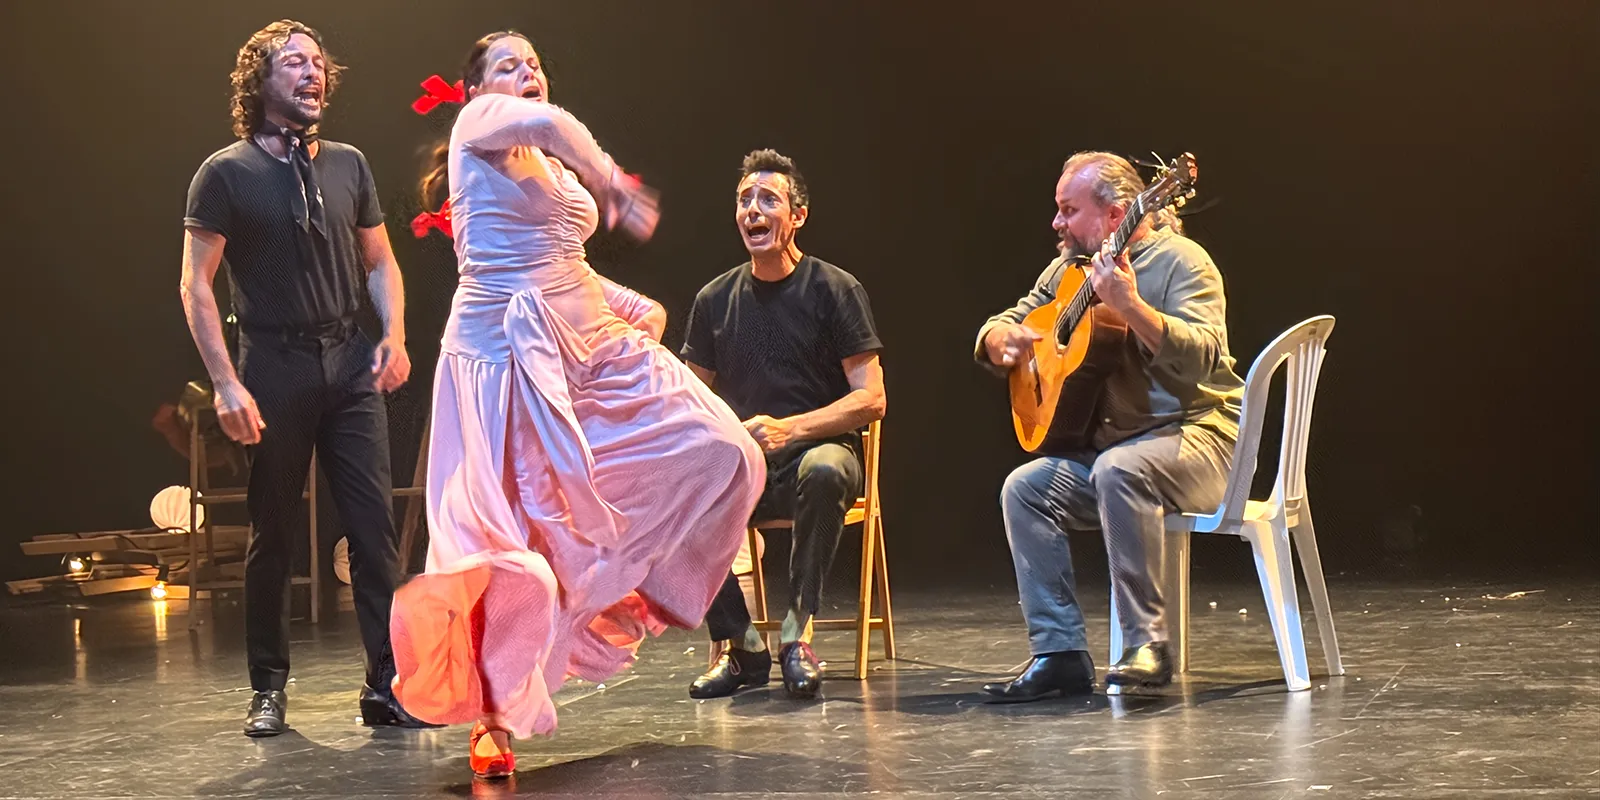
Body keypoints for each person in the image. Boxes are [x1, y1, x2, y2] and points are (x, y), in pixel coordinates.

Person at [388, 32, 765, 779]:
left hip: (589, 347)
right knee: (514, 551)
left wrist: (629, 304)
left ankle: (634, 583)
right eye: (508, 65)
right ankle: (493, 719)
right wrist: (613, 182)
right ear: (476, 90)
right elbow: (552, 127)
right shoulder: (479, 125)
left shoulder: (549, 165)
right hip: (506, 362)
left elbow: (560, 256)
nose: (526, 72)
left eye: (534, 63)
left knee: (727, 451)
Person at [179, 19, 434, 736]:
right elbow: (195, 285)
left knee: (373, 534)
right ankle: (267, 686)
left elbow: (380, 262)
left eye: (318, 62)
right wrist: (226, 383)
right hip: (273, 365)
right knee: (274, 533)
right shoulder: (225, 172)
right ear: (259, 80)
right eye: (294, 62)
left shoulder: (348, 164)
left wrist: (394, 335)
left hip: (348, 361)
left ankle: (387, 683)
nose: (312, 72)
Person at [974, 151, 1244, 701]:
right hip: (1115, 451)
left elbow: (1206, 358)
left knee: (1119, 470)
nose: (1056, 222)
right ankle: (1059, 654)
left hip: (1199, 441)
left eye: (1068, 210)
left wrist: (1131, 305)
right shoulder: (1067, 272)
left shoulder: (1184, 262)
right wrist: (997, 339)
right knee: (1025, 489)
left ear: (1116, 215)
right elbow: (1008, 319)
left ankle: (1148, 645)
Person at [681, 150, 887, 700]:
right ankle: (744, 645)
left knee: (824, 468)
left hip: (818, 455)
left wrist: (791, 430)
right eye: (743, 200)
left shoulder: (835, 289)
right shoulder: (714, 300)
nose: (752, 210)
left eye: (767, 200)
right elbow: (688, 400)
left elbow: (871, 399)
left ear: (797, 216)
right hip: (746, 467)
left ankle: (796, 635)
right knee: (676, 490)